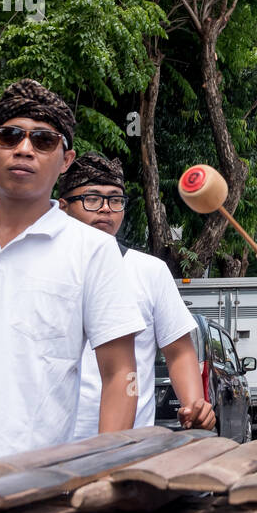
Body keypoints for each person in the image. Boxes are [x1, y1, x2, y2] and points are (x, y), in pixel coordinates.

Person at [0, 80, 141, 459]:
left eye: (44, 141)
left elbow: (120, 375)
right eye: (9, 136)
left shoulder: (93, 251)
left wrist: (101, 468)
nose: (24, 149)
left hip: (37, 483)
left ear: (66, 160)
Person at [57, 153, 215, 437]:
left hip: (126, 446)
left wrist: (194, 405)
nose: (106, 209)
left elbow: (178, 351)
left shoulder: (149, 271)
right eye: (92, 199)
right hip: (47, 448)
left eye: (115, 200)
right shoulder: (42, 268)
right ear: (63, 207)